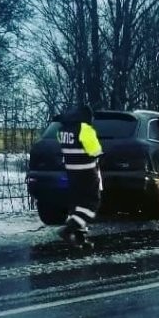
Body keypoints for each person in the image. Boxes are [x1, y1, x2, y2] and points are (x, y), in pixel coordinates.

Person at [58, 105, 103, 246]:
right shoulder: (85, 129)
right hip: (87, 172)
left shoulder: (62, 130)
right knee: (91, 204)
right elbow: (94, 151)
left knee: (77, 204)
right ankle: (69, 229)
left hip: (72, 172)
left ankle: (80, 238)